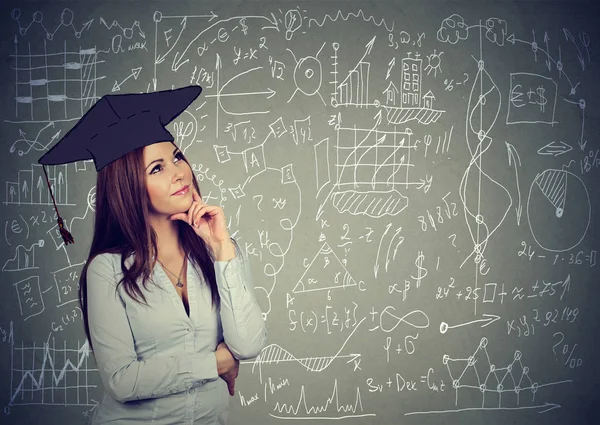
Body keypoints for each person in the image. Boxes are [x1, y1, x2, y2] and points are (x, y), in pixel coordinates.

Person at [38, 85, 268, 424]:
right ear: (129, 187)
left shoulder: (219, 251)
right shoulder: (108, 271)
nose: (179, 173)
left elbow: (247, 345)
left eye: (176, 157)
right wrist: (213, 363)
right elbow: (123, 381)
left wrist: (222, 249)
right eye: (156, 168)